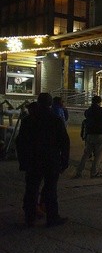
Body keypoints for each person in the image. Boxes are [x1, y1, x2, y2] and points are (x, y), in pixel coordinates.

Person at [16, 93, 70, 227]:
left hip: (33, 160)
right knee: (51, 190)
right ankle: (52, 217)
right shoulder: (55, 119)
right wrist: (64, 160)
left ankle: (30, 217)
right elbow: (64, 142)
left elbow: (20, 142)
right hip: (51, 160)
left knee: (31, 189)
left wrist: (23, 161)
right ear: (50, 103)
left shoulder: (29, 120)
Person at [74, 95, 102, 178]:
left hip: (90, 134)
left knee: (86, 154)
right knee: (98, 155)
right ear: (99, 102)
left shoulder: (88, 111)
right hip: (99, 134)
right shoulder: (101, 110)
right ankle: (94, 172)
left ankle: (79, 171)